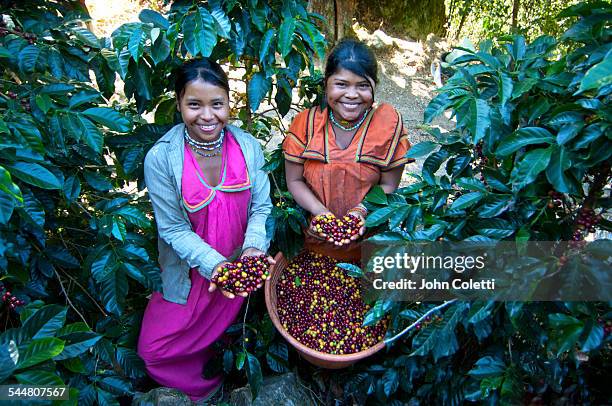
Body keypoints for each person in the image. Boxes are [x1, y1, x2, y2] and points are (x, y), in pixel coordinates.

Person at [138, 58, 273, 401]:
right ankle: (199, 390)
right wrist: (217, 267)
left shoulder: (248, 147)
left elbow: (261, 207)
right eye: (194, 105)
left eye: (217, 104)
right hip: (193, 270)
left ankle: (221, 376)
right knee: (153, 349)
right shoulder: (162, 158)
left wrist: (253, 250)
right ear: (179, 103)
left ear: (230, 102)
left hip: (238, 266)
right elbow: (173, 229)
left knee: (219, 331)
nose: (207, 116)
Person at [283, 38, 413, 261]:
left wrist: (361, 211)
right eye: (341, 84)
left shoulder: (386, 125)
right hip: (314, 240)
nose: (352, 95)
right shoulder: (306, 124)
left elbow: (389, 184)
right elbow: (294, 181)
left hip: (368, 243)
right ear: (326, 84)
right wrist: (321, 213)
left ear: (374, 86)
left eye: (362, 86)